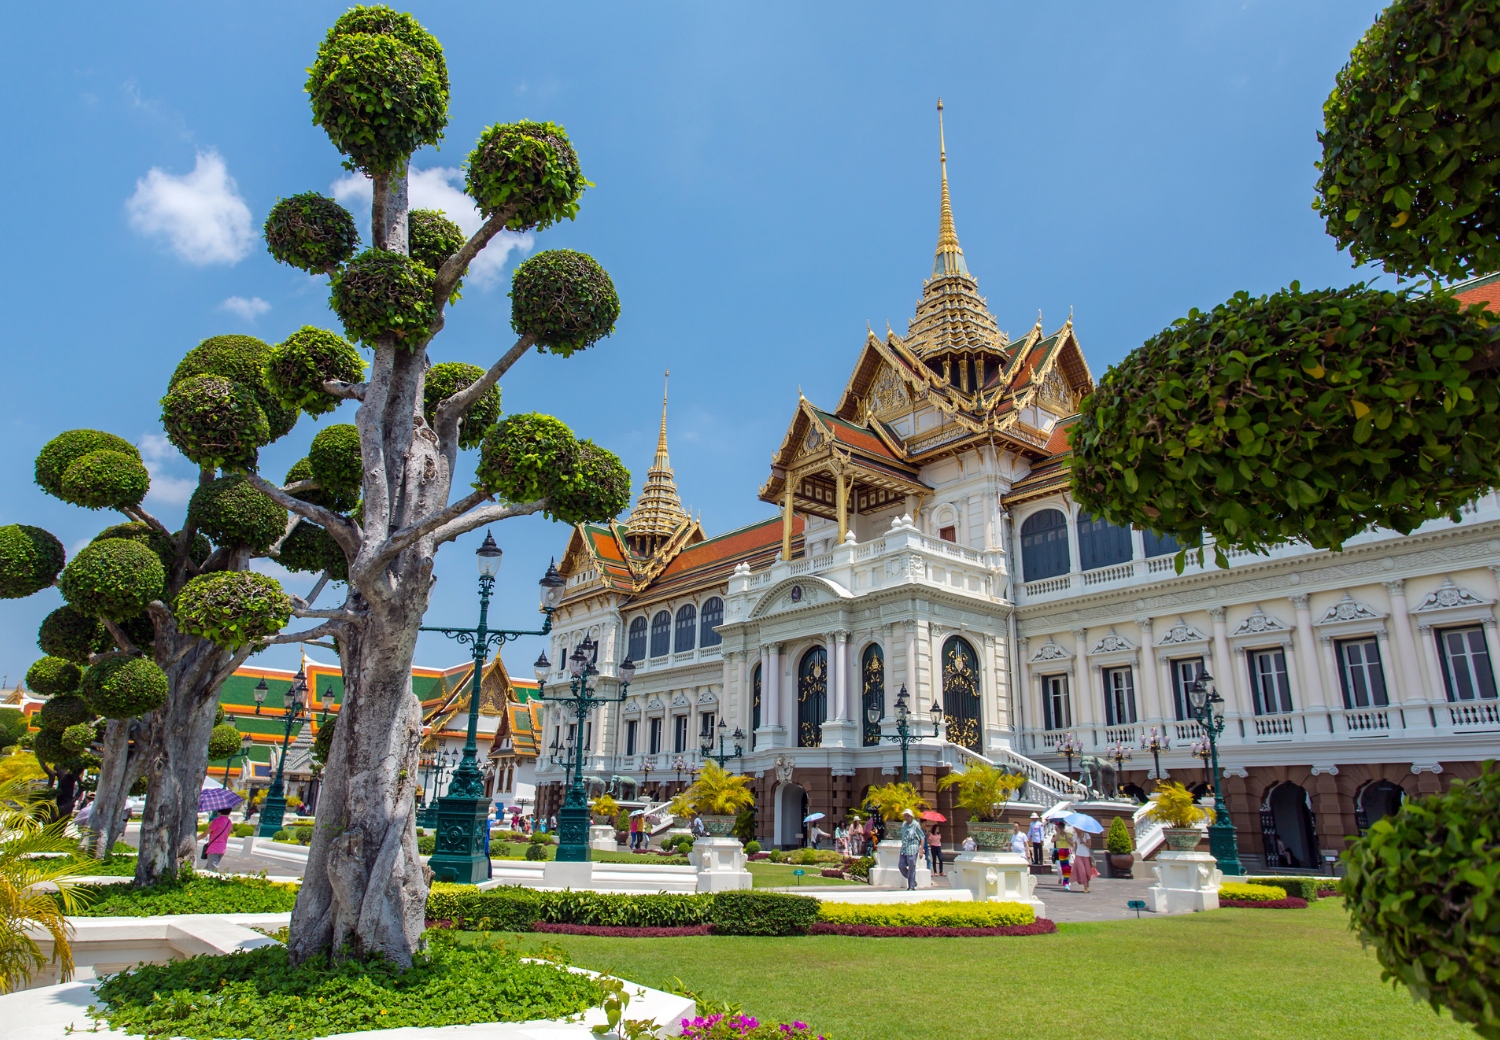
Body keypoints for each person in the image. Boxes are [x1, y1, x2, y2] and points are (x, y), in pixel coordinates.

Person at [897, 809, 923, 890]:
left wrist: (921, 849)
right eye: (905, 816)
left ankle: (911, 886)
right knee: (901, 866)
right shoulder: (904, 824)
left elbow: (922, 837)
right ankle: (912, 881)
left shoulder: (916, 825)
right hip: (904, 849)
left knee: (912, 866)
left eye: (908, 816)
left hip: (913, 848)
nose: (906, 817)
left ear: (911, 816)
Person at [203, 808, 233, 872]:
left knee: (212, 869)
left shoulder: (217, 821)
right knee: (208, 867)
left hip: (213, 848)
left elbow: (205, 834)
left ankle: (214, 881)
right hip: (222, 848)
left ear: (219, 812)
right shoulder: (229, 822)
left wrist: (196, 839)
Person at [1071, 826, 1096, 893]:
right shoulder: (1075, 836)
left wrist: (1082, 841)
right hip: (1079, 855)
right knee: (1082, 871)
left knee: (1087, 872)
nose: (1075, 830)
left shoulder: (1086, 835)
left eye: (1077, 828)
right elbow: (1075, 846)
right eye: (1074, 828)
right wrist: (1074, 854)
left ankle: (1087, 884)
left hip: (1086, 855)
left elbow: (1089, 845)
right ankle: (1085, 886)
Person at [1053, 820, 1072, 889]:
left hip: (1066, 851)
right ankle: (1065, 881)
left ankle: (1066, 881)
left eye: (1060, 828)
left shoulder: (1068, 834)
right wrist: (1058, 833)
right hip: (1060, 852)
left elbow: (1072, 844)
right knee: (1062, 868)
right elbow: (1053, 840)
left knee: (1067, 868)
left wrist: (1067, 839)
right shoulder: (1057, 835)